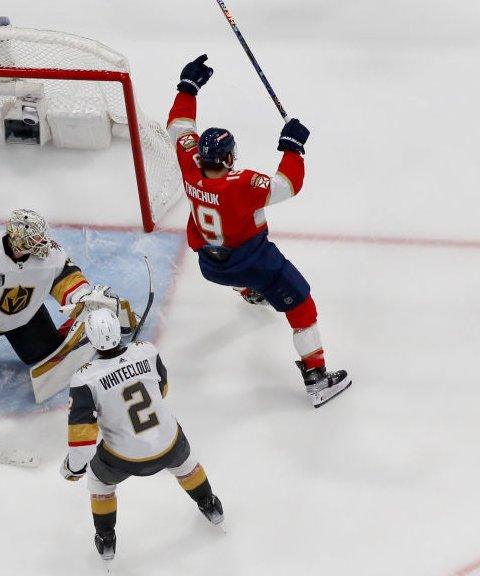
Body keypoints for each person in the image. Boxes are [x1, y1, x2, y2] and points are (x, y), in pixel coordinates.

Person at [166, 54, 351, 408]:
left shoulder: (190, 166)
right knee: (301, 304)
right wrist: (292, 148)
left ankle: (250, 293)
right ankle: (316, 378)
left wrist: (187, 87)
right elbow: (286, 185)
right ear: (229, 158)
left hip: (210, 264)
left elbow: (179, 127)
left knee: (227, 261)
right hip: (253, 262)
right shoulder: (241, 185)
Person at [60, 308, 224, 562]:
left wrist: (73, 468)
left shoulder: (84, 379)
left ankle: (106, 539)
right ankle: (210, 504)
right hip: (170, 442)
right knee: (184, 463)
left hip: (123, 458)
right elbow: (162, 389)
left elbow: (82, 443)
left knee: (99, 481)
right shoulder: (146, 350)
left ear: (90, 338)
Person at [0, 208, 117, 372]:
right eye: (35, 239)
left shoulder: (52, 254)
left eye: (42, 236)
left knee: (45, 357)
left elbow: (67, 278)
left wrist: (82, 296)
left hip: (26, 318)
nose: (43, 243)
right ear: (18, 240)